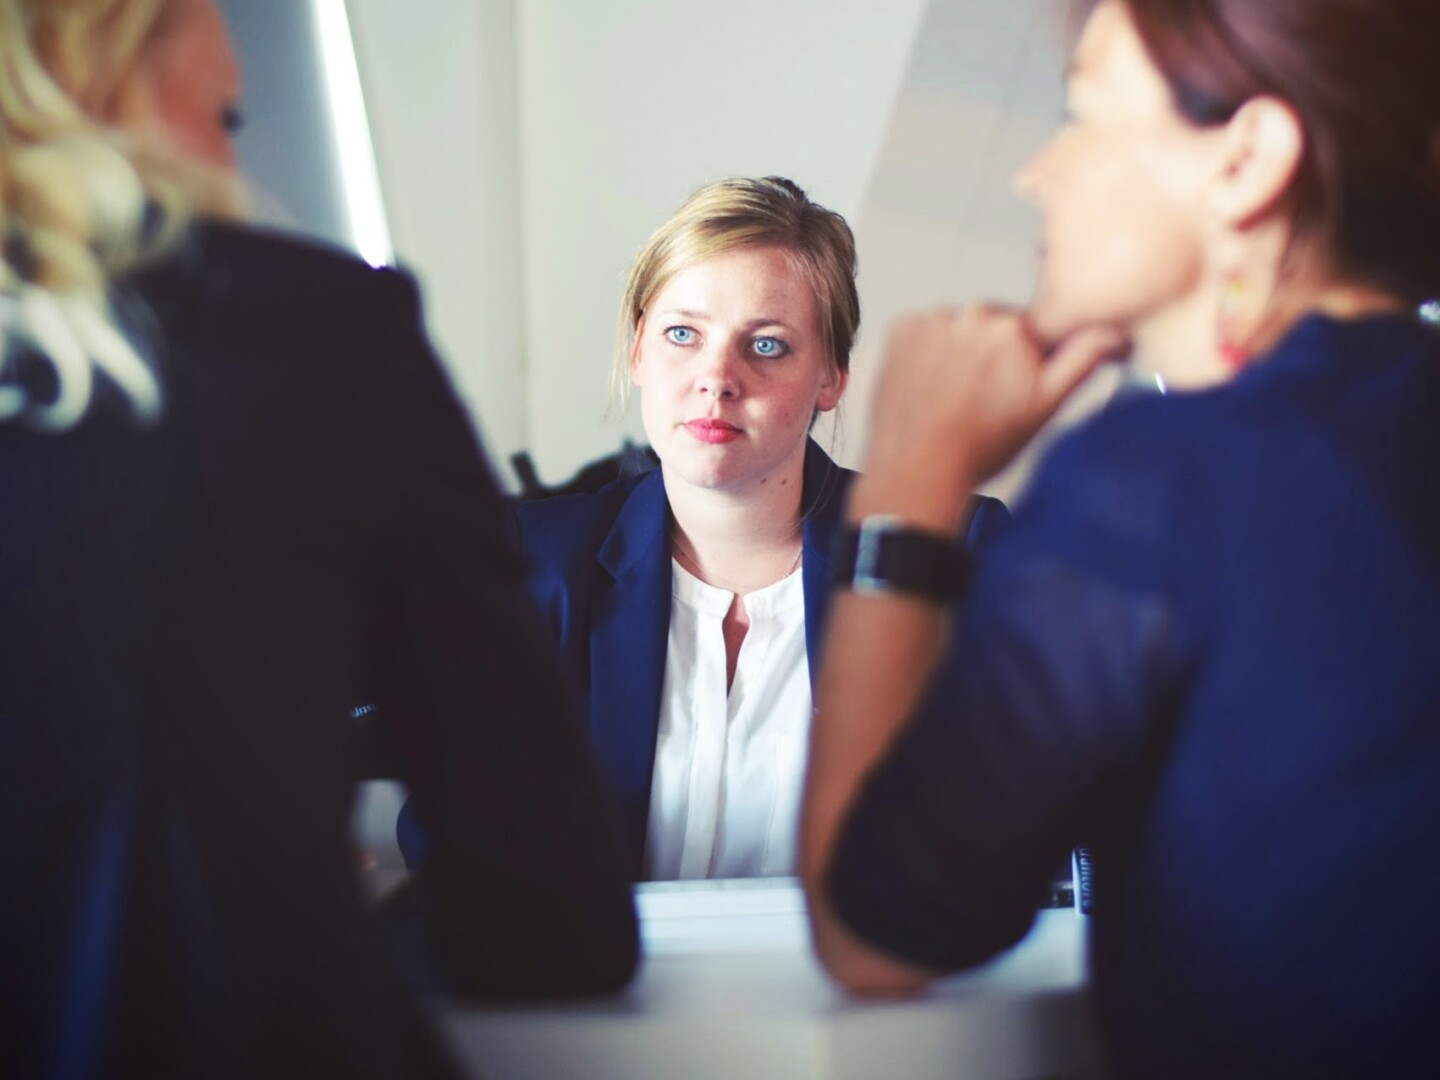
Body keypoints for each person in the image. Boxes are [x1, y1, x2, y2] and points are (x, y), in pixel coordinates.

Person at [800, 0, 1440, 1076]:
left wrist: (910, 479)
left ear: (1246, 160)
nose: (1036, 174)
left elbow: (874, 933)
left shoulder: (1161, 480)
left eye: (1082, 115)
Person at [0, 1, 636, 1077]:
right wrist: (299, 898)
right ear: (108, 69)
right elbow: (551, 913)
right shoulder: (315, 338)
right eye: (229, 116)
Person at [506, 176, 1007, 880]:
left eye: (766, 346)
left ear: (830, 376)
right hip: (598, 989)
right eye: (683, 334)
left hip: (861, 988)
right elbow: (454, 855)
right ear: (638, 350)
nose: (717, 378)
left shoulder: (953, 553)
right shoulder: (532, 564)